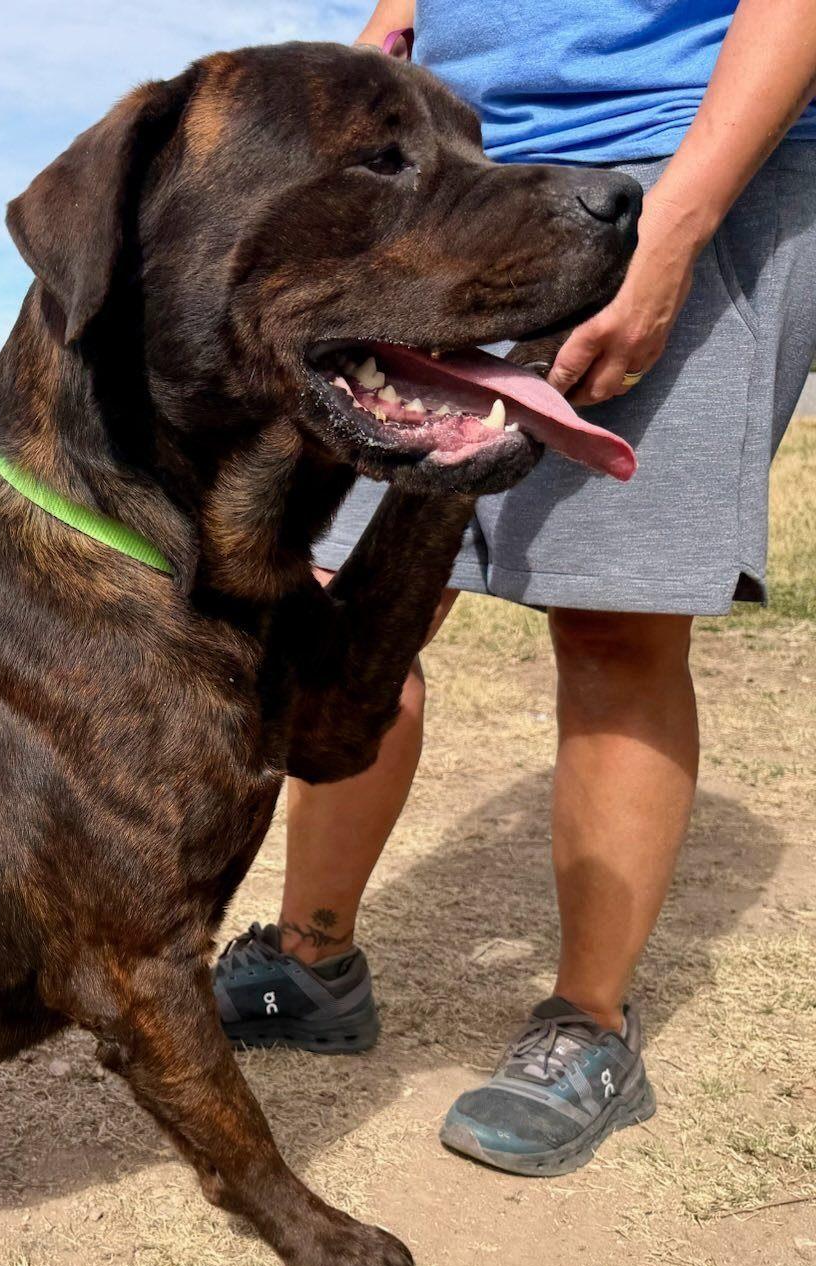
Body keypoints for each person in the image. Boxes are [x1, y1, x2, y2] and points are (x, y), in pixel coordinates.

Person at [213, 0, 816, 1176]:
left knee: (613, 622)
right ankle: (309, 965)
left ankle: (589, 1025)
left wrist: (674, 232)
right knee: (342, 610)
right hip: (450, 178)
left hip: (673, 159)